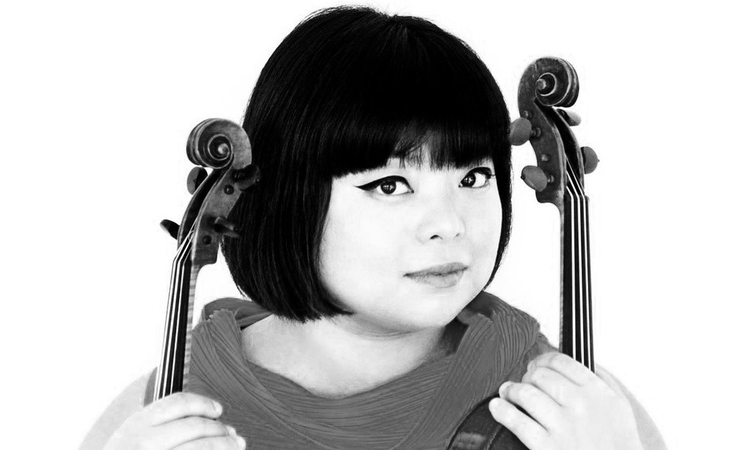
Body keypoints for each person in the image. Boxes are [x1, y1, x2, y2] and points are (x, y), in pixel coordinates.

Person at [81, 6, 666, 450]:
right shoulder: (162, 412)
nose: (448, 224)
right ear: (289, 197)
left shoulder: (576, 407)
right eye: (390, 185)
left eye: (472, 177)